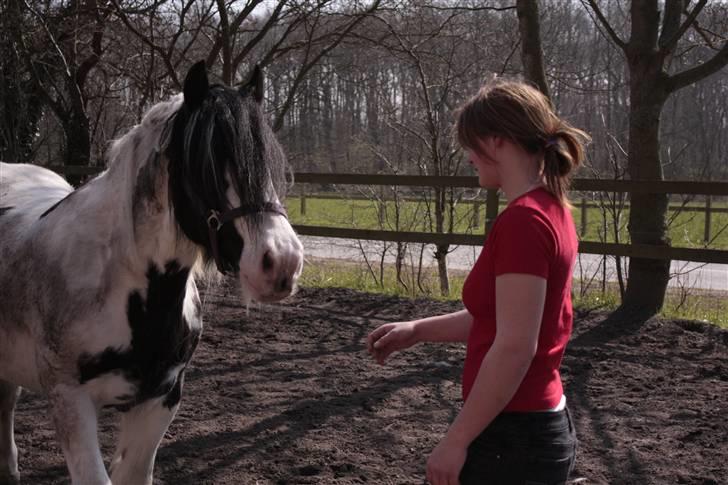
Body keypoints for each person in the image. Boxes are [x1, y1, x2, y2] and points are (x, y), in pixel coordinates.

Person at [366, 80, 590, 485]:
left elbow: (515, 346)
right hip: (532, 426)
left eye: (472, 143)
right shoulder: (550, 209)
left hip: (514, 437)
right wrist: (417, 331)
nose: (469, 156)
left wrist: (456, 440)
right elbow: (503, 319)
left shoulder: (524, 221)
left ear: (498, 140)